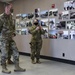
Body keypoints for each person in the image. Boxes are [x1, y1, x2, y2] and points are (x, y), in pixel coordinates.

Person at [0, 3, 26, 74]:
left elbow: (12, 27)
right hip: (3, 39)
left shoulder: (11, 17)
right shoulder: (1, 17)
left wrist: (13, 33)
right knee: (4, 54)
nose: (9, 9)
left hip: (10, 39)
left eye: (10, 8)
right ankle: (4, 68)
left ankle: (17, 67)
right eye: (8, 8)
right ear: (5, 8)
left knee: (16, 51)